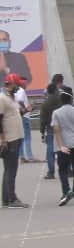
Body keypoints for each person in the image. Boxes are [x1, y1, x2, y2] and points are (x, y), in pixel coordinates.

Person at [1, 74, 27, 207]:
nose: (19, 87)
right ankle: (11, 199)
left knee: (10, 168)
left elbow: (12, 115)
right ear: (11, 84)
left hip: (16, 137)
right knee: (11, 169)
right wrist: (3, 138)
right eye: (17, 85)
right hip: (10, 138)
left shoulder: (11, 98)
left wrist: (24, 111)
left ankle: (7, 198)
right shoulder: (2, 98)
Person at [39, 81, 61, 180]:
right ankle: (67, 169)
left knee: (50, 151)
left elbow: (42, 120)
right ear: (56, 90)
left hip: (50, 128)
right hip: (62, 128)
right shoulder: (61, 101)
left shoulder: (45, 104)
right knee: (64, 148)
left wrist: (42, 132)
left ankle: (51, 172)